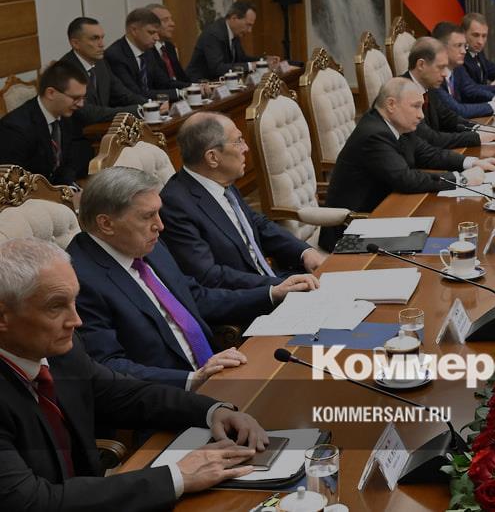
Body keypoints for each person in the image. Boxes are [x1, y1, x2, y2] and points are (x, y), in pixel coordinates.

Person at [0, 237, 272, 511]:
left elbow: (125, 394)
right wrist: (178, 476)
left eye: (74, 301)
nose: (76, 321)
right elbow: (31, 501)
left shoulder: (60, 351)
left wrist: (213, 411)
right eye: (55, 307)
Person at [69, 167, 315, 389]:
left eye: (158, 213)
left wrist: (272, 293)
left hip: (219, 370)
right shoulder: (79, 281)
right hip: (170, 396)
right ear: (106, 224)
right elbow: (109, 366)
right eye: (147, 216)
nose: (160, 226)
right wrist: (191, 379)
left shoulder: (144, 244)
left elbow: (195, 297)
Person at [320, 77, 495, 250]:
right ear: (391, 104)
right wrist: (461, 179)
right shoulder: (374, 134)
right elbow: (406, 179)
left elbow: (429, 154)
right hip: (352, 230)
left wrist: (472, 162)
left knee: (446, 231)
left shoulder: (397, 126)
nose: (421, 115)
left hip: (387, 212)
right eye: (415, 106)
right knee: (446, 239)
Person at [159, 112, 326, 291]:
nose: (245, 148)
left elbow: (256, 224)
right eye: (238, 141)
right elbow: (209, 276)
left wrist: (304, 252)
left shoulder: (219, 180)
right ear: (213, 158)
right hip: (249, 297)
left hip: (273, 280)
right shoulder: (175, 205)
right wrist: (277, 287)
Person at [0, 60, 93, 185]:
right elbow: (16, 183)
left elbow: (67, 163)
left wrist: (70, 189)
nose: (81, 104)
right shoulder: (15, 129)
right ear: (51, 93)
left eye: (83, 98)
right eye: (75, 98)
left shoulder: (67, 115)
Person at [401, 37, 495, 149]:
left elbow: (448, 118)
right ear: (421, 65)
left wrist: (478, 128)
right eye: (440, 67)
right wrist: (476, 137)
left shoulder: (428, 85)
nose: (445, 74)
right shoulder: (402, 93)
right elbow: (431, 139)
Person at [58, 16, 143, 125]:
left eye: (102, 38)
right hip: (80, 133)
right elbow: (87, 113)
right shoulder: (64, 70)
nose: (102, 44)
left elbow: (123, 94)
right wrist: (136, 110)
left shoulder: (100, 63)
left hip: (100, 129)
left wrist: (150, 105)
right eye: (95, 38)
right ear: (75, 43)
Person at [431, 23, 495, 119]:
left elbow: (471, 89)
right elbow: (457, 110)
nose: (463, 51)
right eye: (458, 46)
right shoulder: (433, 76)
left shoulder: (457, 68)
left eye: (464, 46)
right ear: (441, 48)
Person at [187, 0, 280, 81]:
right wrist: (253, 65)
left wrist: (264, 61)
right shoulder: (214, 34)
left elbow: (241, 59)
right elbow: (217, 68)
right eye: (248, 25)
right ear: (234, 18)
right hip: (199, 85)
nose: (249, 30)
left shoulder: (234, 32)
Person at [103, 8, 179, 103]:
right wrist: (178, 93)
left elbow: (164, 82)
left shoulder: (148, 51)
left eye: (157, 33)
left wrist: (191, 88)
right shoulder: (115, 55)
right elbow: (135, 93)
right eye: (151, 32)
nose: (157, 38)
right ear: (134, 30)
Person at [146, 3, 191, 84]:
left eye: (171, 19)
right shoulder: (146, 49)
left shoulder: (169, 47)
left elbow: (182, 78)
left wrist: (197, 86)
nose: (172, 24)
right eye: (165, 20)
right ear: (150, 24)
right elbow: (159, 83)